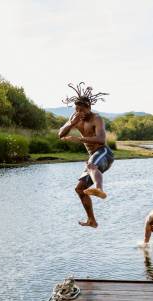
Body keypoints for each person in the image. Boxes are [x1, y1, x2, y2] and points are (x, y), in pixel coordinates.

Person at [58, 83, 113, 228]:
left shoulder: (97, 119)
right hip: (94, 156)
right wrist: (70, 124)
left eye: (82, 110)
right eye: (76, 109)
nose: (79, 112)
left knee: (90, 165)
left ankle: (99, 189)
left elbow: (101, 139)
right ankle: (92, 220)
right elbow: (60, 134)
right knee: (80, 189)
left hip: (105, 153)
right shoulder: (74, 118)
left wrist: (79, 139)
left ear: (89, 108)